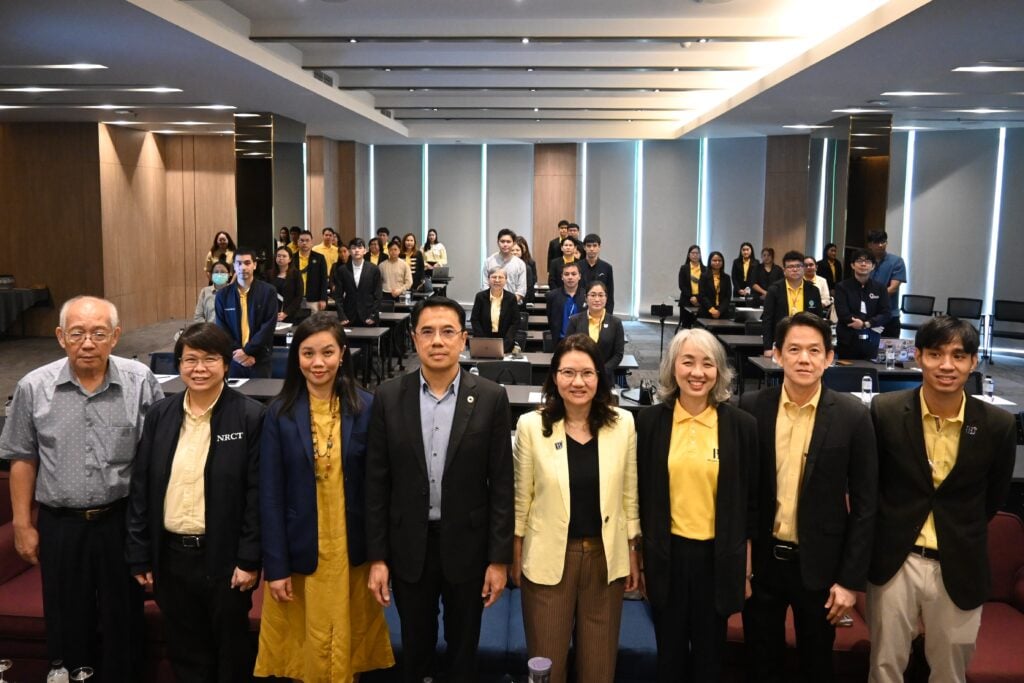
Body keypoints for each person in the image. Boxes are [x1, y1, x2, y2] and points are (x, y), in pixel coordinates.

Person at [0, 295, 164, 679]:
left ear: (116, 336)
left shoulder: (140, 382)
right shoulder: (33, 387)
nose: (87, 343)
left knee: (125, 619)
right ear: (60, 337)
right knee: (66, 618)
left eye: (98, 333)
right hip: (61, 524)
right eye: (77, 333)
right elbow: (22, 458)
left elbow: (157, 458)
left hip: (122, 521)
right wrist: (22, 524)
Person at [366, 296, 513, 683]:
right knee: (415, 649)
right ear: (414, 339)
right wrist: (378, 557)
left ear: (463, 339)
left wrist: (499, 560)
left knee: (464, 650)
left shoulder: (491, 397)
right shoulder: (388, 396)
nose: (437, 341)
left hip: (468, 545)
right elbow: (376, 483)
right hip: (409, 546)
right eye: (427, 332)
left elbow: (501, 484)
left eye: (448, 332)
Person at [867, 316, 1015, 683]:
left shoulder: (998, 425)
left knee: (950, 672)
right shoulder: (885, 411)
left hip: (959, 561)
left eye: (958, 356)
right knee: (884, 668)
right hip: (895, 561)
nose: (946, 365)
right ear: (918, 356)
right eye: (935, 354)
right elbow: (872, 487)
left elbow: (993, 498)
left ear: (973, 362)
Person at [739, 312, 877, 683]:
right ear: (776, 354)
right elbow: (740, 495)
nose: (804, 359)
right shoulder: (751, 408)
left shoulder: (852, 416)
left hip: (821, 569)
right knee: (760, 664)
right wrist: (741, 564)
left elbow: (866, 505)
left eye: (814, 351)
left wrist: (850, 581)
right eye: (794, 349)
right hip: (763, 565)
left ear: (829, 357)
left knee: (817, 666)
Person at [256, 313, 395, 680]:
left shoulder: (367, 408)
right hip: (300, 552)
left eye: (327, 352)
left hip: (352, 552)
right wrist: (276, 567)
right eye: (308, 353)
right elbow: (270, 497)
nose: (318, 363)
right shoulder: (279, 414)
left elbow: (379, 490)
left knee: (349, 643)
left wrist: (380, 557)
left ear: (342, 354)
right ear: (296, 357)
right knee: (305, 648)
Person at [126, 322, 264, 682]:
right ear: (178, 364)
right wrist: (140, 552)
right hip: (172, 558)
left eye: (209, 359)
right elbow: (141, 488)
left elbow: (257, 494)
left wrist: (249, 559)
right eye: (190, 360)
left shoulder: (250, 416)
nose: (199, 368)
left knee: (231, 653)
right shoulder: (160, 415)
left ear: (226, 364)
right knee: (186, 653)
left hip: (226, 560)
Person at [512, 333, 640, 683]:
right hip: (549, 558)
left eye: (587, 373)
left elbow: (629, 496)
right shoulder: (531, 426)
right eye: (568, 372)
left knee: (599, 669)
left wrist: (633, 550)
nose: (578, 382)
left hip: (605, 559)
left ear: (600, 377)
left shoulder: (623, 424)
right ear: (554, 377)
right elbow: (521, 499)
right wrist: (515, 552)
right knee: (547, 668)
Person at [636, 327, 758, 681]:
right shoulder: (649, 423)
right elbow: (641, 498)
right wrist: (640, 560)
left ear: (719, 370)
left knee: (709, 661)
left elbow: (751, 506)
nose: (697, 372)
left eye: (707, 363)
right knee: (668, 659)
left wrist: (746, 570)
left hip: (718, 560)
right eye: (687, 362)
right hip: (667, 557)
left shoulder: (742, 426)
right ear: (672, 367)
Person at [215, 248, 279, 378]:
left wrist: (248, 351)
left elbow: (268, 327)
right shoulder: (223, 295)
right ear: (234, 266)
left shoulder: (268, 292)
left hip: (259, 358)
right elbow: (222, 329)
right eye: (239, 263)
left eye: (247, 263)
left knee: (261, 391)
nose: (243, 267)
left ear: (254, 265)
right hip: (234, 358)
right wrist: (239, 353)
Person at [761, 251, 824, 356]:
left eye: (798, 266)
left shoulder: (813, 290)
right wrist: (767, 347)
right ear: (784, 270)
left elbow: (818, 320)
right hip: (782, 340)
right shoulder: (774, 290)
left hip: (807, 340)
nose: (795, 269)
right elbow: (767, 320)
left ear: (803, 268)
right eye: (790, 267)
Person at [833, 249, 891, 360]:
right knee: (847, 368)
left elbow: (886, 313)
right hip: (848, 339)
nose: (863, 264)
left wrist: (866, 324)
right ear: (852, 265)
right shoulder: (842, 287)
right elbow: (843, 313)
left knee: (870, 368)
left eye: (868, 261)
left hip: (872, 338)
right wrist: (858, 322)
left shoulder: (880, 288)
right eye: (859, 261)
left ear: (873, 266)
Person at [566, 281, 624, 383]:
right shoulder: (575, 321)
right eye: (593, 295)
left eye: (601, 295)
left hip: (605, 377)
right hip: (579, 377)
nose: (597, 299)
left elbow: (618, 354)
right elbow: (568, 349)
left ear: (606, 298)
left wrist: (602, 371)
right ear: (586, 298)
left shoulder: (616, 323)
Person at [334, 237, 383, 327]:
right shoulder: (342, 270)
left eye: (360, 248)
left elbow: (378, 295)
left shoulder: (374, 269)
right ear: (349, 251)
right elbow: (338, 296)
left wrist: (373, 315)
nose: (356, 250)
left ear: (365, 251)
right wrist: (342, 316)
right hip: (348, 316)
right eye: (353, 248)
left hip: (368, 315)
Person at [470, 267, 521, 353]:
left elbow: (515, 322)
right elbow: (475, 319)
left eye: (500, 277)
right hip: (483, 342)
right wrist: (483, 341)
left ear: (506, 280)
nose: (497, 280)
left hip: (506, 343)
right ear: (488, 279)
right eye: (494, 277)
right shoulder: (480, 297)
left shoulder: (511, 298)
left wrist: (506, 343)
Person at [867, 230, 907, 337]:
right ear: (870, 245)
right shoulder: (865, 262)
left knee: (890, 346)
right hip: (868, 316)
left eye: (883, 242)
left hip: (890, 315)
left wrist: (872, 297)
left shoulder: (896, 261)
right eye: (877, 242)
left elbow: (893, 288)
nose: (881, 245)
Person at [482, 228, 528, 302]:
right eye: (502, 241)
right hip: (492, 303)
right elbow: (485, 285)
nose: (505, 244)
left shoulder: (520, 264)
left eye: (508, 242)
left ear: (513, 243)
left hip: (513, 304)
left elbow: (521, 290)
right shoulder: (489, 261)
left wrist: (508, 304)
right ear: (498, 242)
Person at [547, 261, 586, 342]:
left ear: (579, 276)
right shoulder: (552, 296)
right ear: (562, 277)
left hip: (582, 341)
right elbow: (551, 320)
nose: (570, 277)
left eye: (574, 274)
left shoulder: (586, 296)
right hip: (560, 341)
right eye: (566, 274)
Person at [265, 246, 305, 323]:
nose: (281, 258)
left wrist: (286, 313)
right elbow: (266, 294)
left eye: (284, 256)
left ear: (290, 259)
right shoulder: (269, 274)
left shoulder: (296, 274)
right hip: (273, 312)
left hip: (290, 313)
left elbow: (299, 296)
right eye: (278, 256)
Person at [579, 233, 616, 313]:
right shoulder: (577, 266)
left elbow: (609, 293)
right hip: (580, 309)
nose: (592, 249)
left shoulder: (607, 267)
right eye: (589, 246)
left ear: (599, 247)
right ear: (584, 247)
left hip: (600, 309)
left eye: (595, 246)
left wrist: (608, 315)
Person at [295, 230, 329, 313]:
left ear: (311, 242)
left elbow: (324, 280)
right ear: (298, 242)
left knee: (314, 321)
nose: (304, 243)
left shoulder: (319, 258)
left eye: (307, 240)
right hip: (295, 299)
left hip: (314, 299)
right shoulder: (291, 258)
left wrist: (323, 299)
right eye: (302, 240)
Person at [698, 250, 733, 319]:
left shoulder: (726, 277)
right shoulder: (704, 276)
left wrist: (719, 311)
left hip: (722, 312)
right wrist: (712, 310)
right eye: (714, 260)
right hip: (706, 311)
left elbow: (727, 297)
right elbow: (702, 295)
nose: (717, 262)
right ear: (710, 262)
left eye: (719, 260)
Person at [678, 244, 705, 308]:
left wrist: (697, 298)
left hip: (701, 301)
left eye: (697, 253)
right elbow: (681, 285)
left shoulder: (705, 269)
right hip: (686, 300)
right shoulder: (684, 268)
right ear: (688, 255)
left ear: (700, 255)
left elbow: (706, 287)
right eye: (692, 253)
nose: (695, 255)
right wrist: (691, 297)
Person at [512, 237, 537, 304]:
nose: (515, 252)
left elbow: (532, 282)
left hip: (524, 297)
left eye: (517, 250)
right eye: (512, 250)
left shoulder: (528, 266)